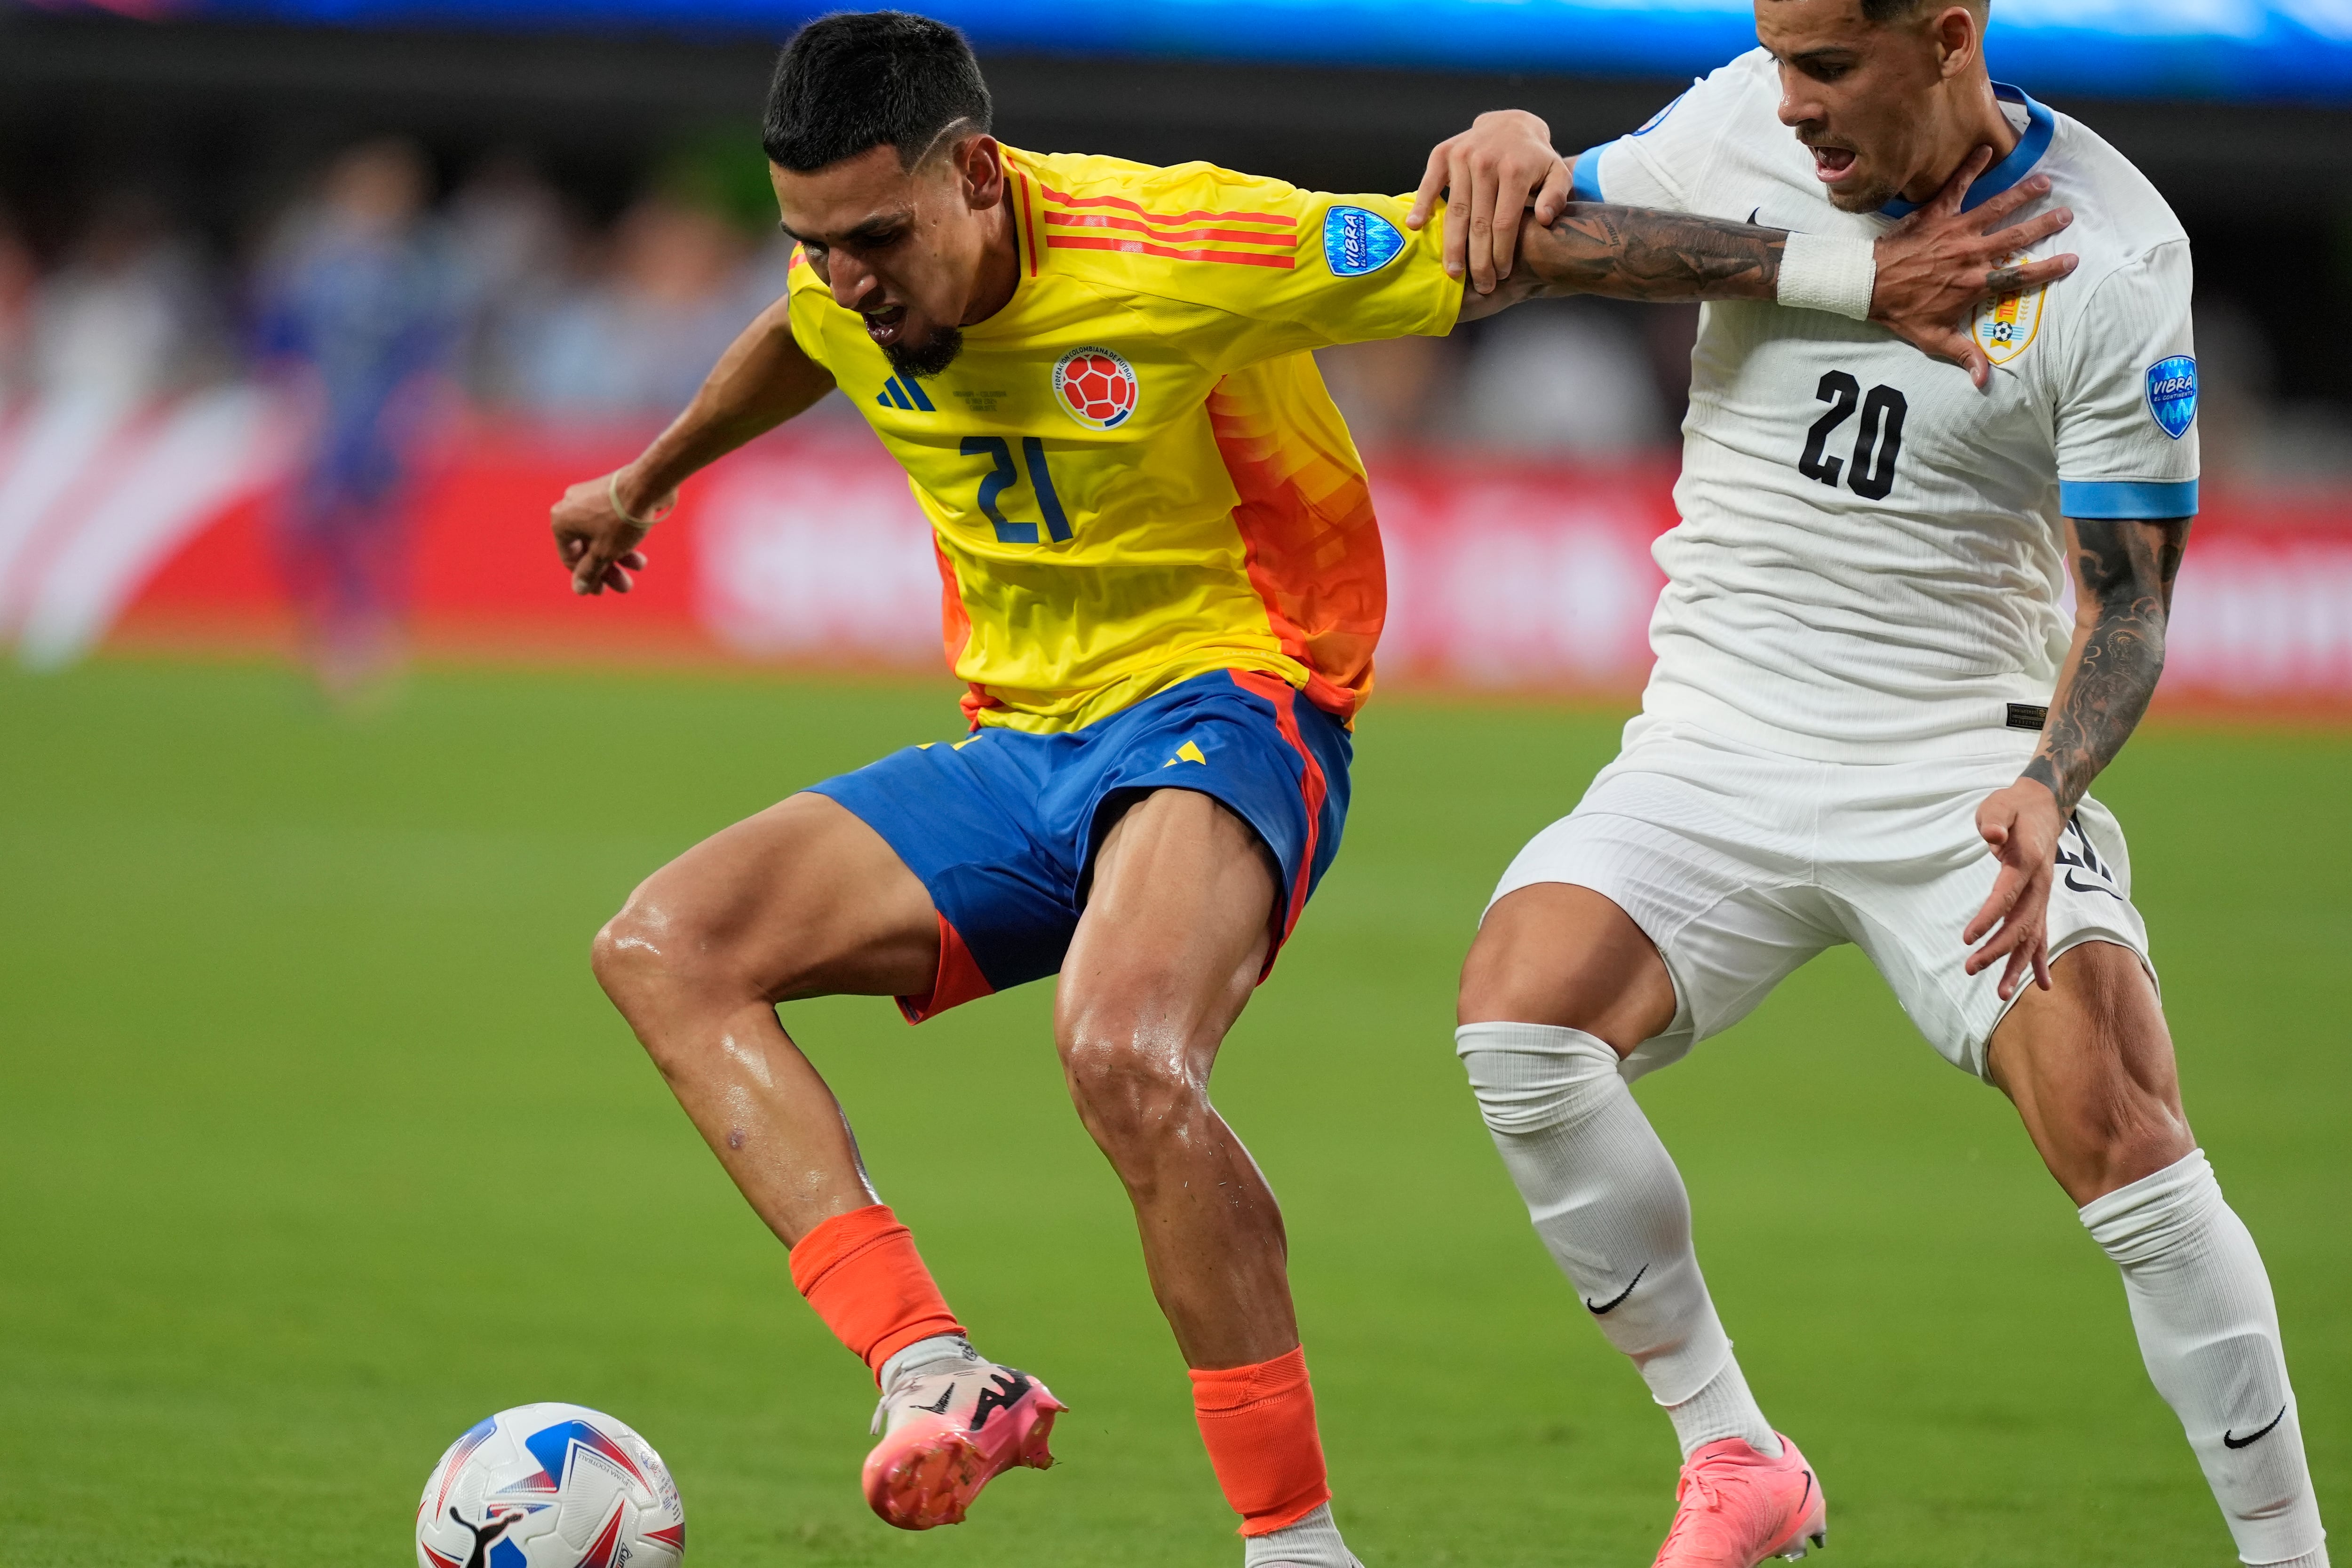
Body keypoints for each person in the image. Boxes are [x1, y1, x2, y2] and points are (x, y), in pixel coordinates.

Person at [548, 12, 2059, 1563]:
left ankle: (1297, 1548)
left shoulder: (1185, 241)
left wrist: (1849, 274)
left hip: (1235, 705)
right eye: (818, 240)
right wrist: (648, 478)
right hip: (1022, 744)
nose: (849, 276)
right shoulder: (845, 272)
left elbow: (1518, 250)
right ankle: (933, 1368)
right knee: (665, 947)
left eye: (876, 237)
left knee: (1125, 1056)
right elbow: (805, 328)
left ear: (981, 176)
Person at [1432, 3, 2333, 1566]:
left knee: (2119, 1121)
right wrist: (1519, 147)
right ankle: (1738, 1462)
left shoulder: (2110, 256)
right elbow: (1542, 243)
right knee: (1521, 1028)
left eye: (1829, 70)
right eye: (1778, 60)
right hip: (1716, 736)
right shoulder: (1740, 120)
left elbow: (2129, 599)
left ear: (1947, 40)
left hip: (1959, 759)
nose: (1791, 109)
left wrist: (2052, 782)